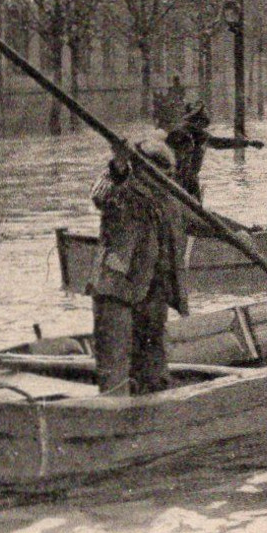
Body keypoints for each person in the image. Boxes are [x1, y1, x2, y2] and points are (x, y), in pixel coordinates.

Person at [89, 143, 189, 395]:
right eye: (163, 173)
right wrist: (118, 168)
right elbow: (101, 195)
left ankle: (155, 409)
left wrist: (233, 232)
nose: (168, 179)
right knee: (115, 371)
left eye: (170, 174)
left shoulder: (168, 199)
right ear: (144, 170)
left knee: (154, 371)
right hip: (118, 292)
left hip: (153, 294)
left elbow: (198, 217)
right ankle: (113, 419)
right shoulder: (123, 192)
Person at [164, 103, 265, 205]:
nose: (201, 126)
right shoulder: (179, 133)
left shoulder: (202, 136)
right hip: (178, 178)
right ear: (195, 121)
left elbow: (222, 143)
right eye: (200, 122)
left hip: (191, 179)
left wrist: (248, 143)